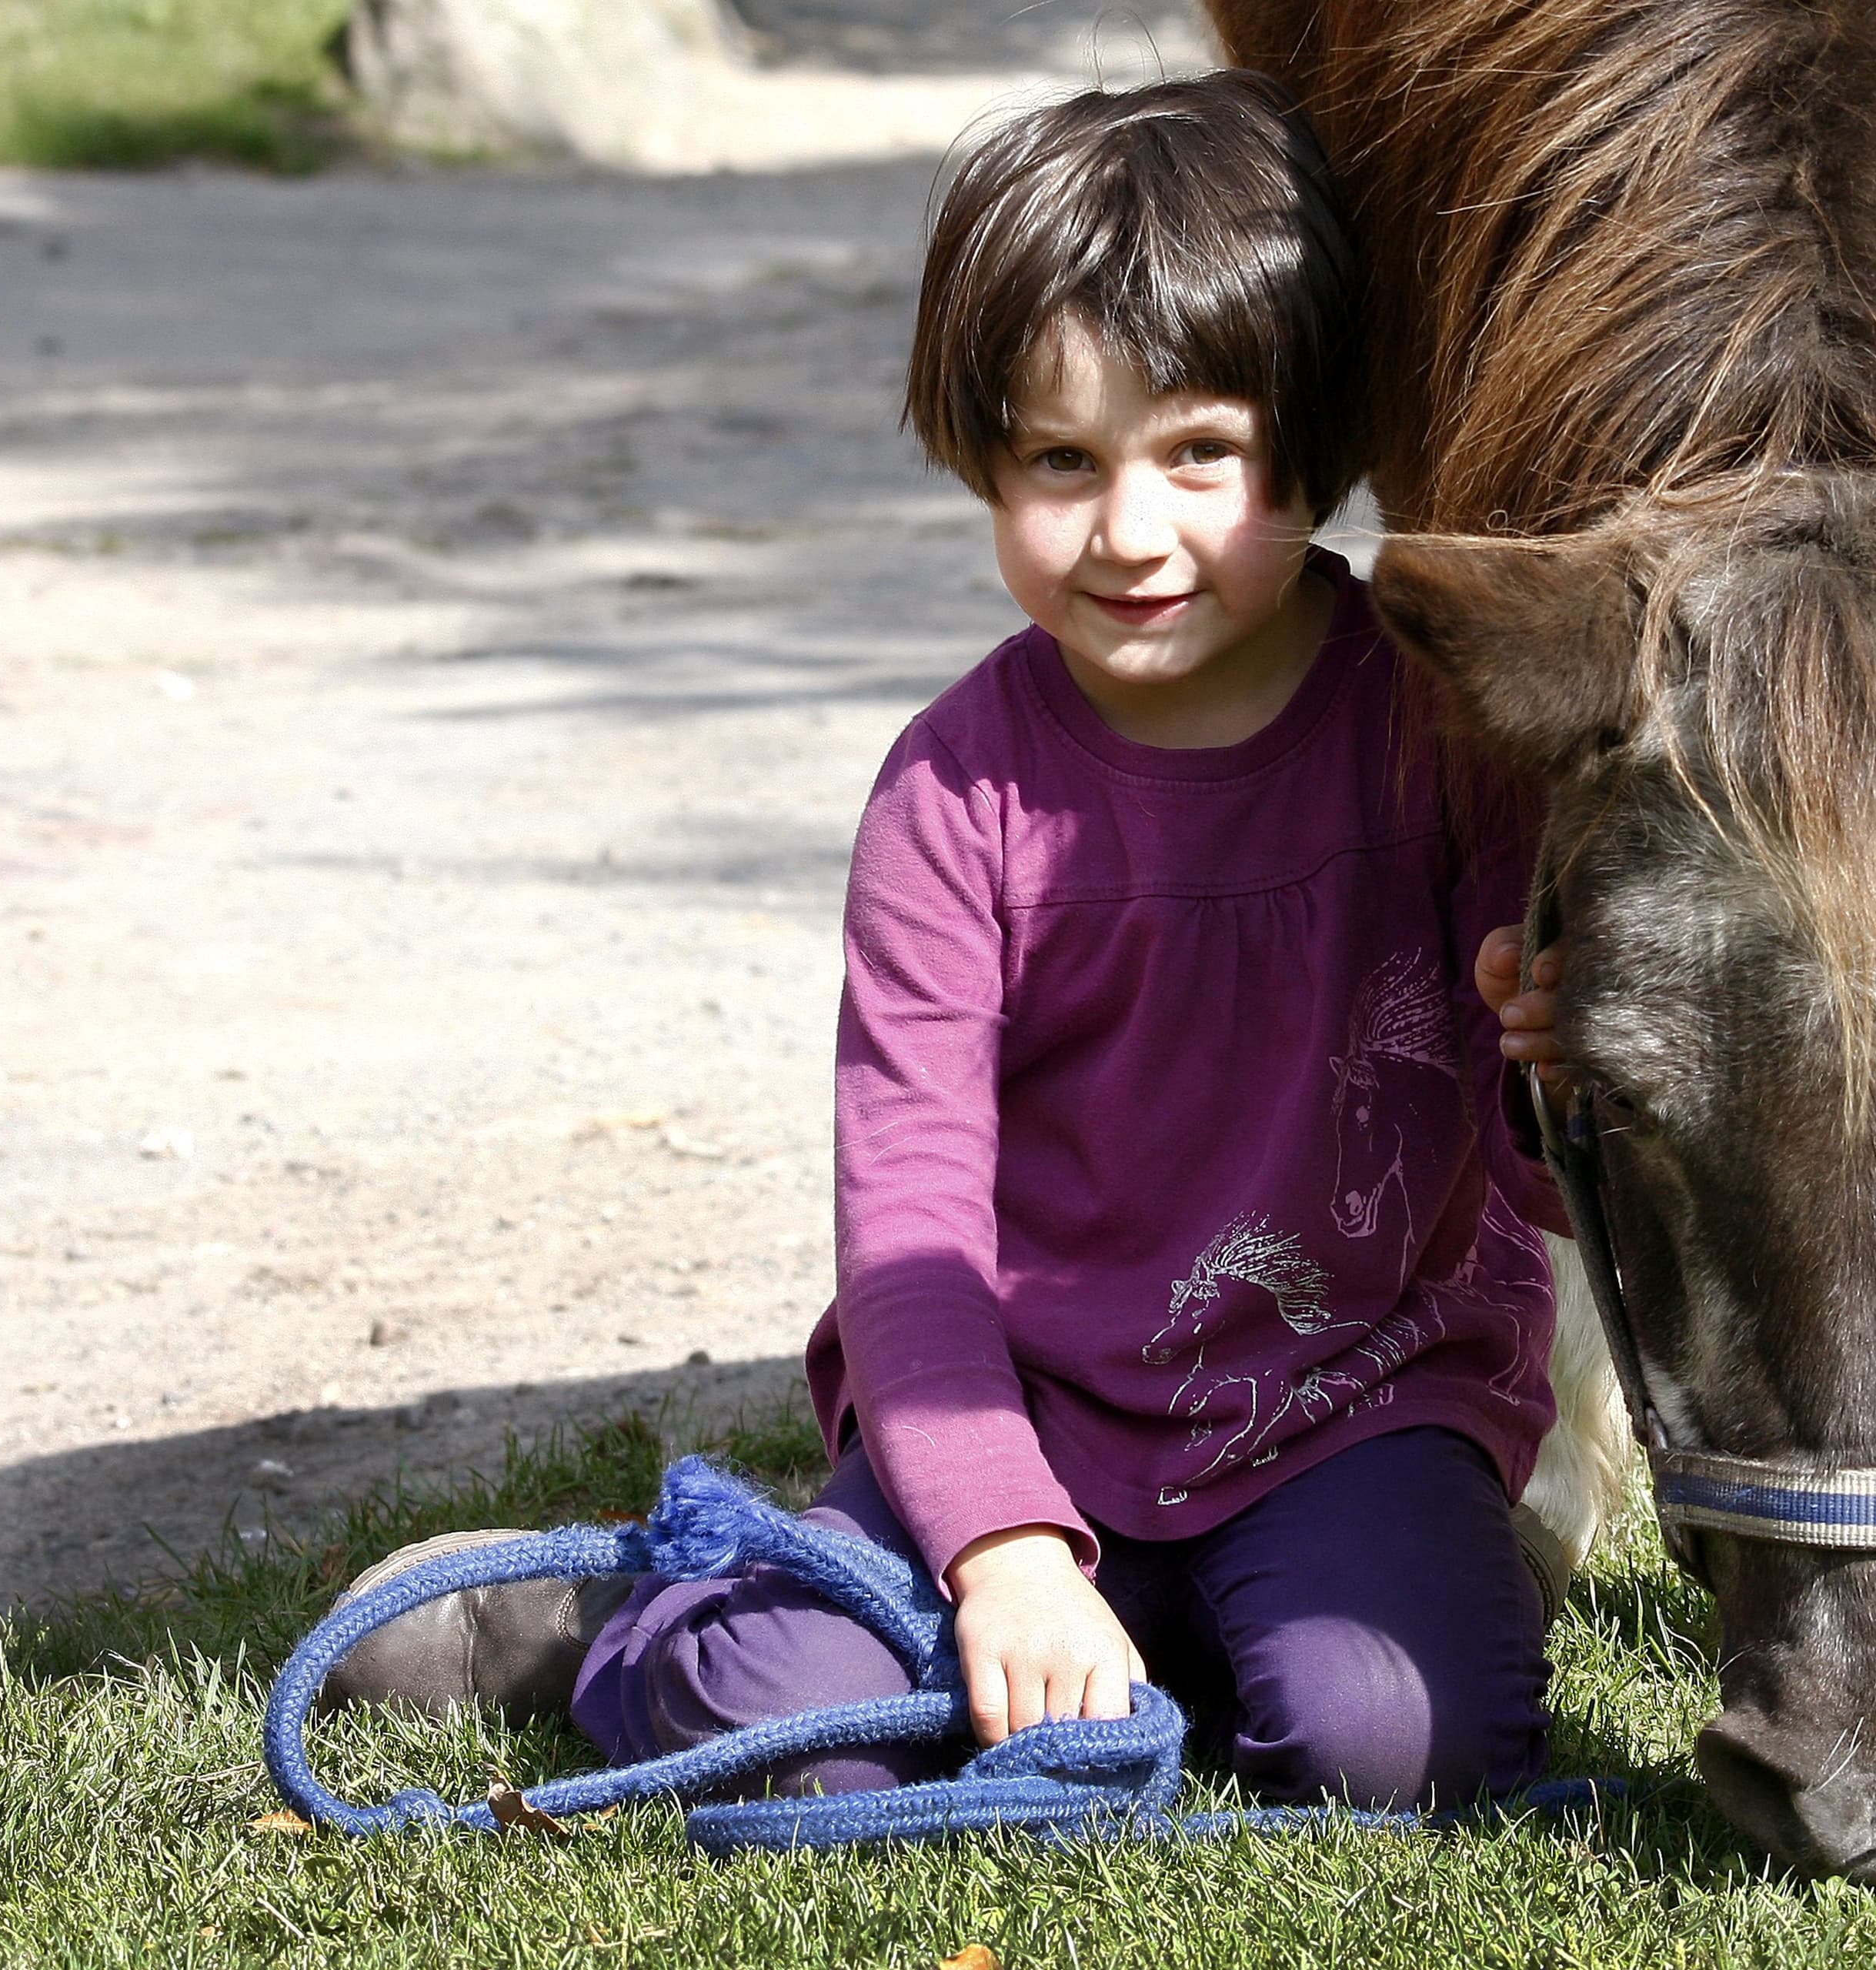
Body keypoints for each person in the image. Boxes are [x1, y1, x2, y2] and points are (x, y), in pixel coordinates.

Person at [322, 70, 1575, 1813]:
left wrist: (1556, 1071)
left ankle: (1359, 1596)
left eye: (1199, 453)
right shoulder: (949, 796)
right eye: (1062, 463)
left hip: (1352, 1397)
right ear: (980, 457)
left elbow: (1556, 1180)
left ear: (1318, 443)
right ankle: (610, 1612)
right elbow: (908, 1226)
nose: (1130, 532)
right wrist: (997, 1545)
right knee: (811, 1740)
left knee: (1398, 1742)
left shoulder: (1444, 734)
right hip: (1023, 1402)